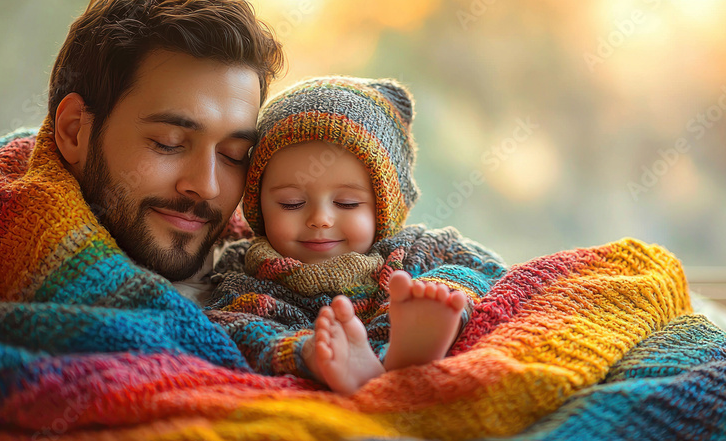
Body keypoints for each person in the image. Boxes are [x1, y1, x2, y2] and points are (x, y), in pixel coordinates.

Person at [0, 0, 284, 309]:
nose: (206, 185)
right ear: (74, 130)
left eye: (234, 155)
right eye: (169, 143)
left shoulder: (276, 271)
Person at [209, 76, 508, 395]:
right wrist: (311, 351)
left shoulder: (414, 250)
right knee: (245, 327)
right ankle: (338, 360)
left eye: (347, 203)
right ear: (258, 206)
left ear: (384, 209)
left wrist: (439, 293)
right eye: (291, 203)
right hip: (314, 351)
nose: (320, 219)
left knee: (450, 278)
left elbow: (490, 269)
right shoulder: (247, 270)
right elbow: (230, 327)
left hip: (406, 322)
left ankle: (404, 346)